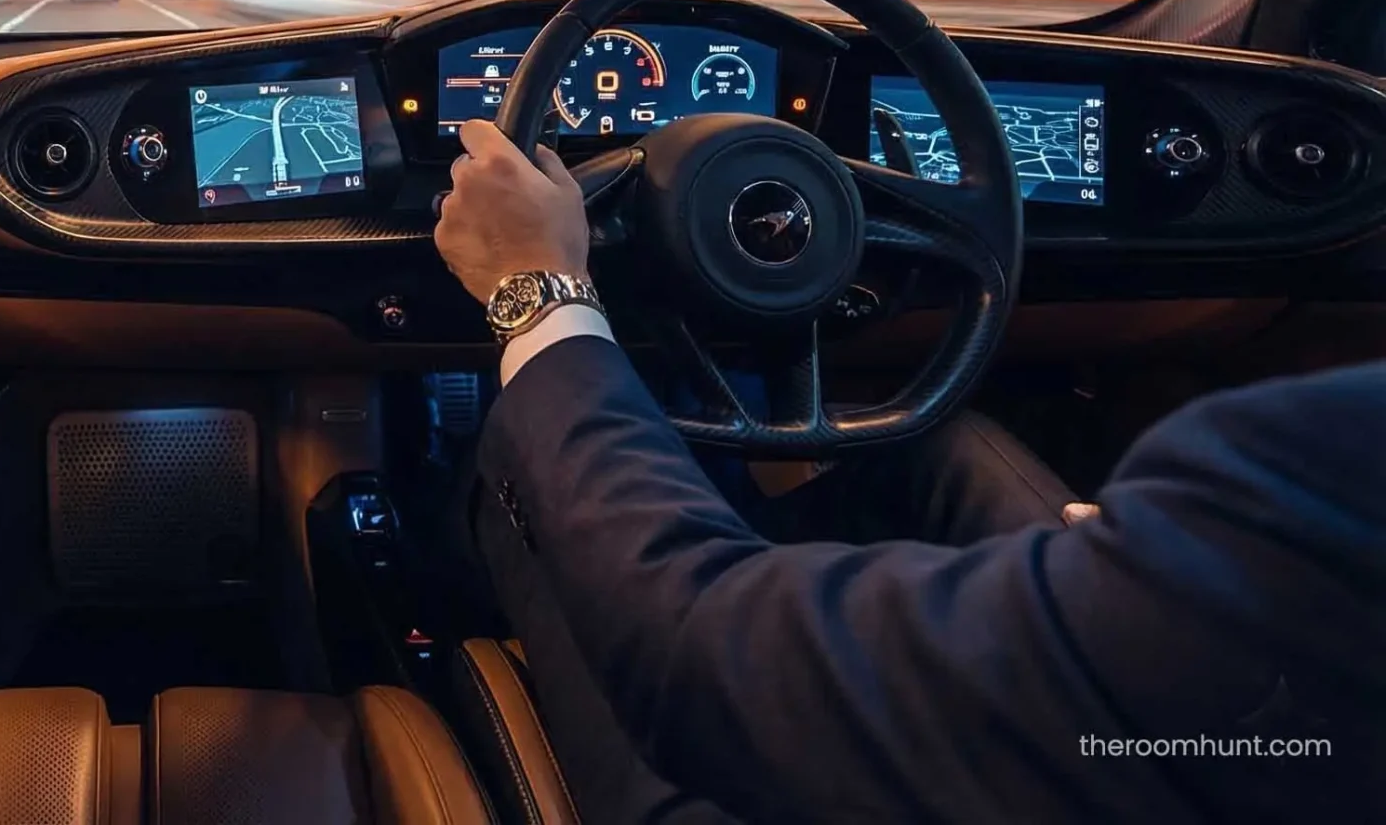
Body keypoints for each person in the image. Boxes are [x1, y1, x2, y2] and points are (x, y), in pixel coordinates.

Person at [434, 119, 1383, 824]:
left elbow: (693, 645)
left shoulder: (1310, 470)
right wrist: (1123, 597)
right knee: (934, 440)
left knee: (535, 479)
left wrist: (540, 289)